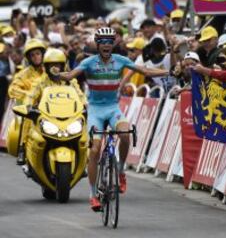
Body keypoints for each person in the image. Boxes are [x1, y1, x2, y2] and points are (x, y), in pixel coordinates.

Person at [55, 27, 169, 212]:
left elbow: (145, 70)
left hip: (113, 109)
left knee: (125, 134)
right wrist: (58, 74)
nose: (107, 45)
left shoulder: (121, 60)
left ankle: (121, 171)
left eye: (110, 42)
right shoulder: (89, 62)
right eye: (103, 42)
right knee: (95, 150)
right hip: (95, 111)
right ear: (98, 44)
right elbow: (70, 76)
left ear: (114, 44)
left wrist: (167, 72)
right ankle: (93, 195)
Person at [8, 38, 47, 165]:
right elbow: (12, 89)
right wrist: (28, 95)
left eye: (38, 53)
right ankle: (22, 148)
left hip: (52, 106)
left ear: (42, 54)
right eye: (32, 55)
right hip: (34, 108)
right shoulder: (23, 74)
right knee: (28, 119)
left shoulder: (50, 70)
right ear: (29, 58)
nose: (36, 57)